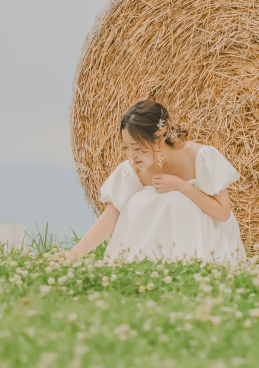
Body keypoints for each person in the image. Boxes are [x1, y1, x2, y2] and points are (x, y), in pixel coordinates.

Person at [58, 99, 247, 263]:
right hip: (162, 243)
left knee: (174, 200)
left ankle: (188, 263)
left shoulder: (200, 157)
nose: (132, 156)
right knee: (141, 200)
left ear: (160, 138)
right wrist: (75, 254)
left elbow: (223, 213)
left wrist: (181, 186)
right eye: (127, 148)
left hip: (208, 240)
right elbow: (110, 217)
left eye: (138, 148)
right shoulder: (132, 169)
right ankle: (148, 263)